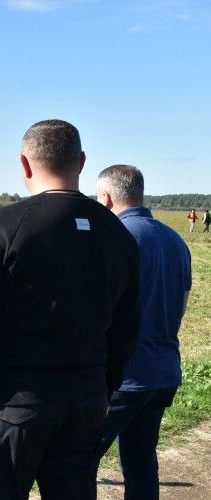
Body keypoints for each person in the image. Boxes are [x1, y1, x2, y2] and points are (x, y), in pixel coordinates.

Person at [0, 119, 140, 500]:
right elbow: (128, 328)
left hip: (12, 405)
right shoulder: (117, 233)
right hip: (86, 401)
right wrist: (105, 387)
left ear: (25, 164)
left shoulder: (5, 225)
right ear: (81, 162)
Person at [95, 165, 192, 500]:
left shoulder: (110, 238)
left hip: (121, 378)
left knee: (76, 462)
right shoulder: (175, 240)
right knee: (140, 461)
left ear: (106, 197)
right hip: (163, 371)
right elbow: (181, 303)